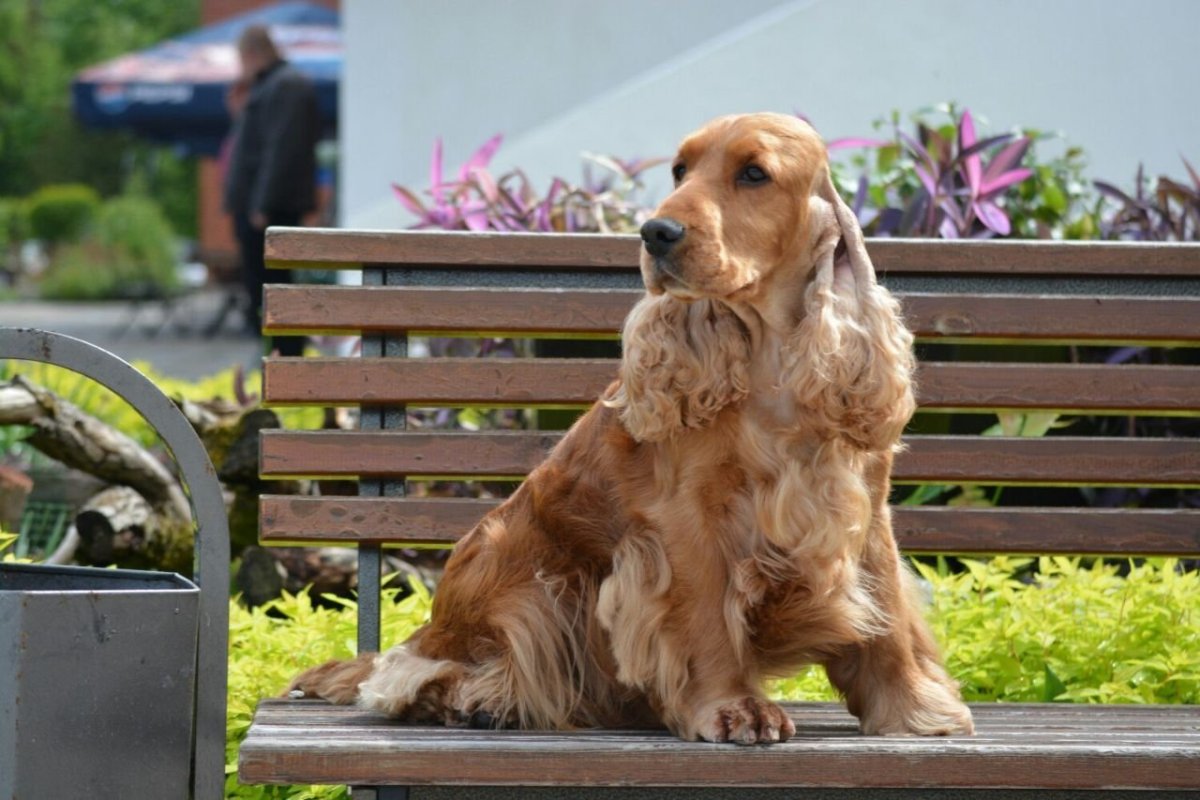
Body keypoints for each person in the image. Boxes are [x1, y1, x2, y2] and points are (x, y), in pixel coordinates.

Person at [223, 24, 319, 356]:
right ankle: (275, 356)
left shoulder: (287, 85)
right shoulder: (270, 86)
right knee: (262, 289)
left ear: (251, 54)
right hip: (258, 204)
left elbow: (281, 149)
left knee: (275, 290)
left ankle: (286, 359)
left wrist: (263, 204)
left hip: (269, 209)